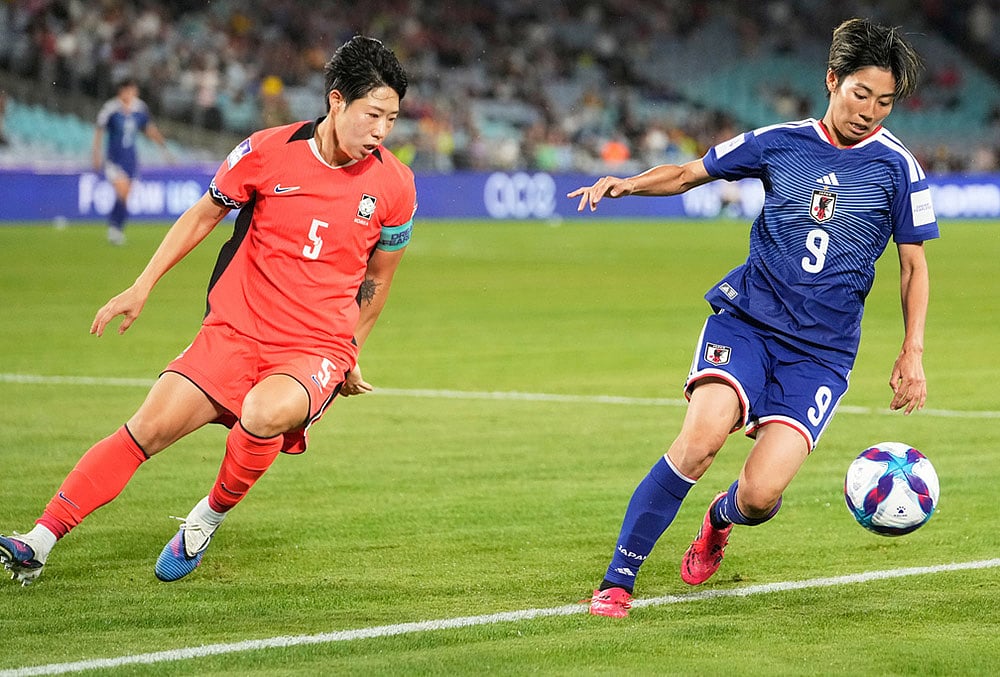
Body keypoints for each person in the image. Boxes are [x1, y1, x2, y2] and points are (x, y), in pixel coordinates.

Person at [0, 36, 416, 586]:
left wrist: (349, 352)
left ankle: (206, 517)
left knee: (264, 414)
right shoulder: (266, 152)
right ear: (336, 101)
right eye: (373, 115)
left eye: (391, 118)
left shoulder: (395, 185)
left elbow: (378, 280)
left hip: (314, 348)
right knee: (145, 428)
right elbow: (203, 216)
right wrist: (142, 284)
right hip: (236, 331)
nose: (382, 131)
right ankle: (38, 540)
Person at [567, 18, 938, 618]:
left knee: (762, 495)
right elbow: (690, 173)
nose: (870, 111)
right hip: (748, 322)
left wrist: (912, 351)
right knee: (701, 437)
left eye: (885, 102)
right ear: (832, 81)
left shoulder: (898, 169)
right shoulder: (778, 142)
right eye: (860, 94)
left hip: (821, 353)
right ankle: (617, 581)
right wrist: (627, 185)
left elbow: (913, 267)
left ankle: (719, 519)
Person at [92, 78, 171, 245]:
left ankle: (116, 227)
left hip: (131, 159)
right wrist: (96, 154)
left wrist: (163, 146)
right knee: (122, 190)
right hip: (114, 158)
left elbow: (148, 128)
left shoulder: (139, 108)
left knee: (126, 195)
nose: (132, 94)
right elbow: (99, 130)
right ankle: (115, 228)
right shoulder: (111, 109)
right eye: (129, 90)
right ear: (122, 91)